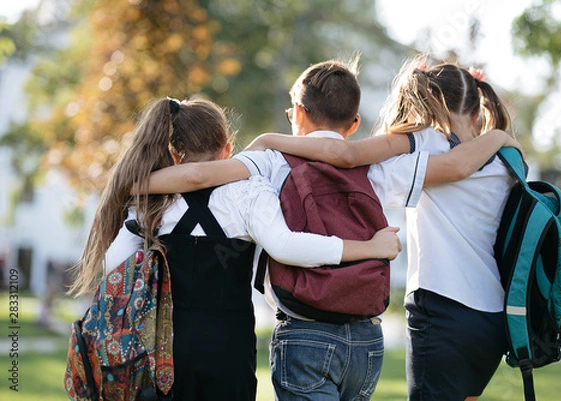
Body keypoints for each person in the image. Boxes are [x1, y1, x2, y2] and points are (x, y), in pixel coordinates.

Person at [143, 58, 521, 401]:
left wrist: (133, 182)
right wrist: (498, 137)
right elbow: (446, 167)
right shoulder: (381, 169)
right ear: (354, 123)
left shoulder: (271, 160)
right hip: (367, 338)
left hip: (305, 331)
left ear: (299, 114)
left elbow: (201, 175)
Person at [68, 96, 402, 401]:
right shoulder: (249, 192)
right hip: (229, 350)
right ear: (228, 149)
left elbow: (114, 264)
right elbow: (287, 246)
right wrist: (368, 247)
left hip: (164, 354)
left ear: (172, 153)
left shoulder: (150, 202)